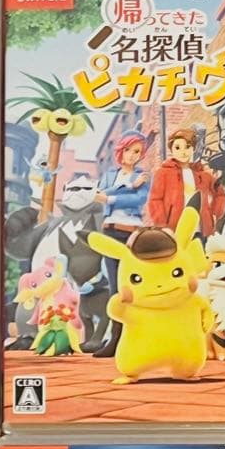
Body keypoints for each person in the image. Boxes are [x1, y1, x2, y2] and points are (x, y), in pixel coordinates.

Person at [92, 129, 150, 357]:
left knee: (134, 285)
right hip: (111, 231)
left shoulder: (143, 175)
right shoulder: (110, 175)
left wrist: (112, 197)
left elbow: (139, 200)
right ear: (121, 150)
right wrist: (129, 186)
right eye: (129, 150)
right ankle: (115, 339)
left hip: (133, 234)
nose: (132, 155)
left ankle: (136, 338)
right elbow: (99, 194)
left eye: (137, 152)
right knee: (116, 288)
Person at [148, 127, 225, 237]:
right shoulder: (163, 173)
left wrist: (214, 213)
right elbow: (155, 200)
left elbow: (221, 194)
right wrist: (162, 225)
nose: (183, 152)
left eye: (187, 147)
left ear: (193, 148)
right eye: (177, 148)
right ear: (172, 150)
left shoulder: (203, 175)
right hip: (174, 230)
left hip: (202, 230)